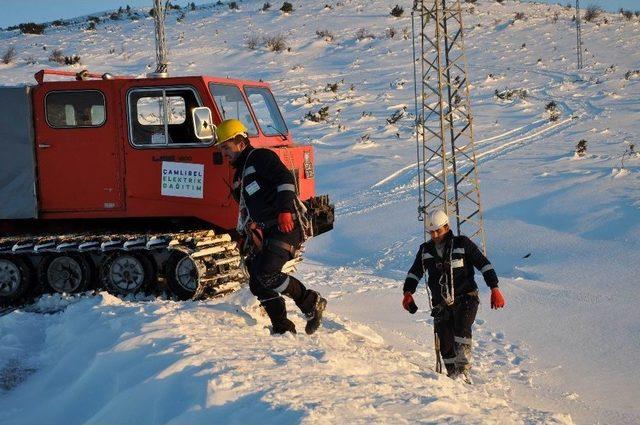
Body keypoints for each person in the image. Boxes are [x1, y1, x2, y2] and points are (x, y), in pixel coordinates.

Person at [215, 118, 327, 335]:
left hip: (286, 225)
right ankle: (282, 327)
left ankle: (311, 303)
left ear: (240, 142)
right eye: (221, 149)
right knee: (257, 280)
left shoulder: (260, 157)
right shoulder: (241, 172)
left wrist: (285, 210)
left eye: (226, 147)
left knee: (268, 273)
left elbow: (285, 179)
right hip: (267, 229)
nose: (224, 153)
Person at [402, 209, 505, 382]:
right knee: (445, 342)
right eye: (431, 232)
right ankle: (452, 375)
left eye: (438, 231)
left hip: (466, 297)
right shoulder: (425, 250)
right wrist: (407, 293)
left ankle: (463, 370)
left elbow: (484, 265)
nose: (435, 235)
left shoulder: (462, 244)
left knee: (462, 328)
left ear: (447, 227)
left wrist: (494, 288)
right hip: (441, 303)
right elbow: (415, 272)